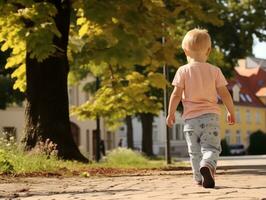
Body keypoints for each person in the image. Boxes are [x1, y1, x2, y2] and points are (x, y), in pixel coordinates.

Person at [166, 28, 235, 188]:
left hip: (190, 121)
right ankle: (208, 165)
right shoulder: (215, 71)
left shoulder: (182, 71)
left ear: (184, 51)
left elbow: (176, 95)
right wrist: (231, 111)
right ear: (209, 50)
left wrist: (170, 113)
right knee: (211, 147)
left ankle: (198, 178)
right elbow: (225, 94)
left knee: (194, 151)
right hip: (210, 117)